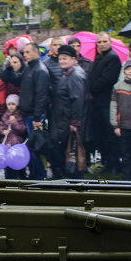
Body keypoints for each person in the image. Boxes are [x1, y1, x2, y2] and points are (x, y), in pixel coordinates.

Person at [49, 44, 87, 179]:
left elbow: (77, 100)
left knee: (73, 151)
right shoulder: (67, 73)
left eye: (65, 58)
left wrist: (75, 122)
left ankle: (74, 179)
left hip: (70, 121)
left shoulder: (75, 75)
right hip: (63, 119)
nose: (62, 61)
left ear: (73, 59)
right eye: (60, 59)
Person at [88, 32, 122, 175]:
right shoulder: (99, 57)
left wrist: (92, 88)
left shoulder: (113, 58)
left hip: (107, 101)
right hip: (97, 102)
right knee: (101, 135)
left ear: (109, 42)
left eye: (104, 41)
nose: (101, 44)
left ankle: (114, 163)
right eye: (99, 42)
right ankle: (107, 161)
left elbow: (107, 79)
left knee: (110, 135)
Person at [17, 41, 51, 180]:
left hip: (34, 116)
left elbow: (41, 96)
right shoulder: (28, 68)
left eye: (28, 52)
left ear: (36, 52)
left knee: (35, 147)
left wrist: (37, 118)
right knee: (31, 147)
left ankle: (39, 175)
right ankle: (34, 172)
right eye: (24, 52)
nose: (25, 55)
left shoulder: (40, 70)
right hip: (27, 113)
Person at [0, 94, 28, 180]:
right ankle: (8, 178)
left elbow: (22, 129)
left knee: (17, 164)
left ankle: (21, 176)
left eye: (13, 104)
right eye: (9, 104)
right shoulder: (6, 115)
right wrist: (2, 131)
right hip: (7, 145)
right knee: (8, 164)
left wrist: (14, 122)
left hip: (16, 144)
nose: (11, 106)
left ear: (17, 105)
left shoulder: (19, 116)